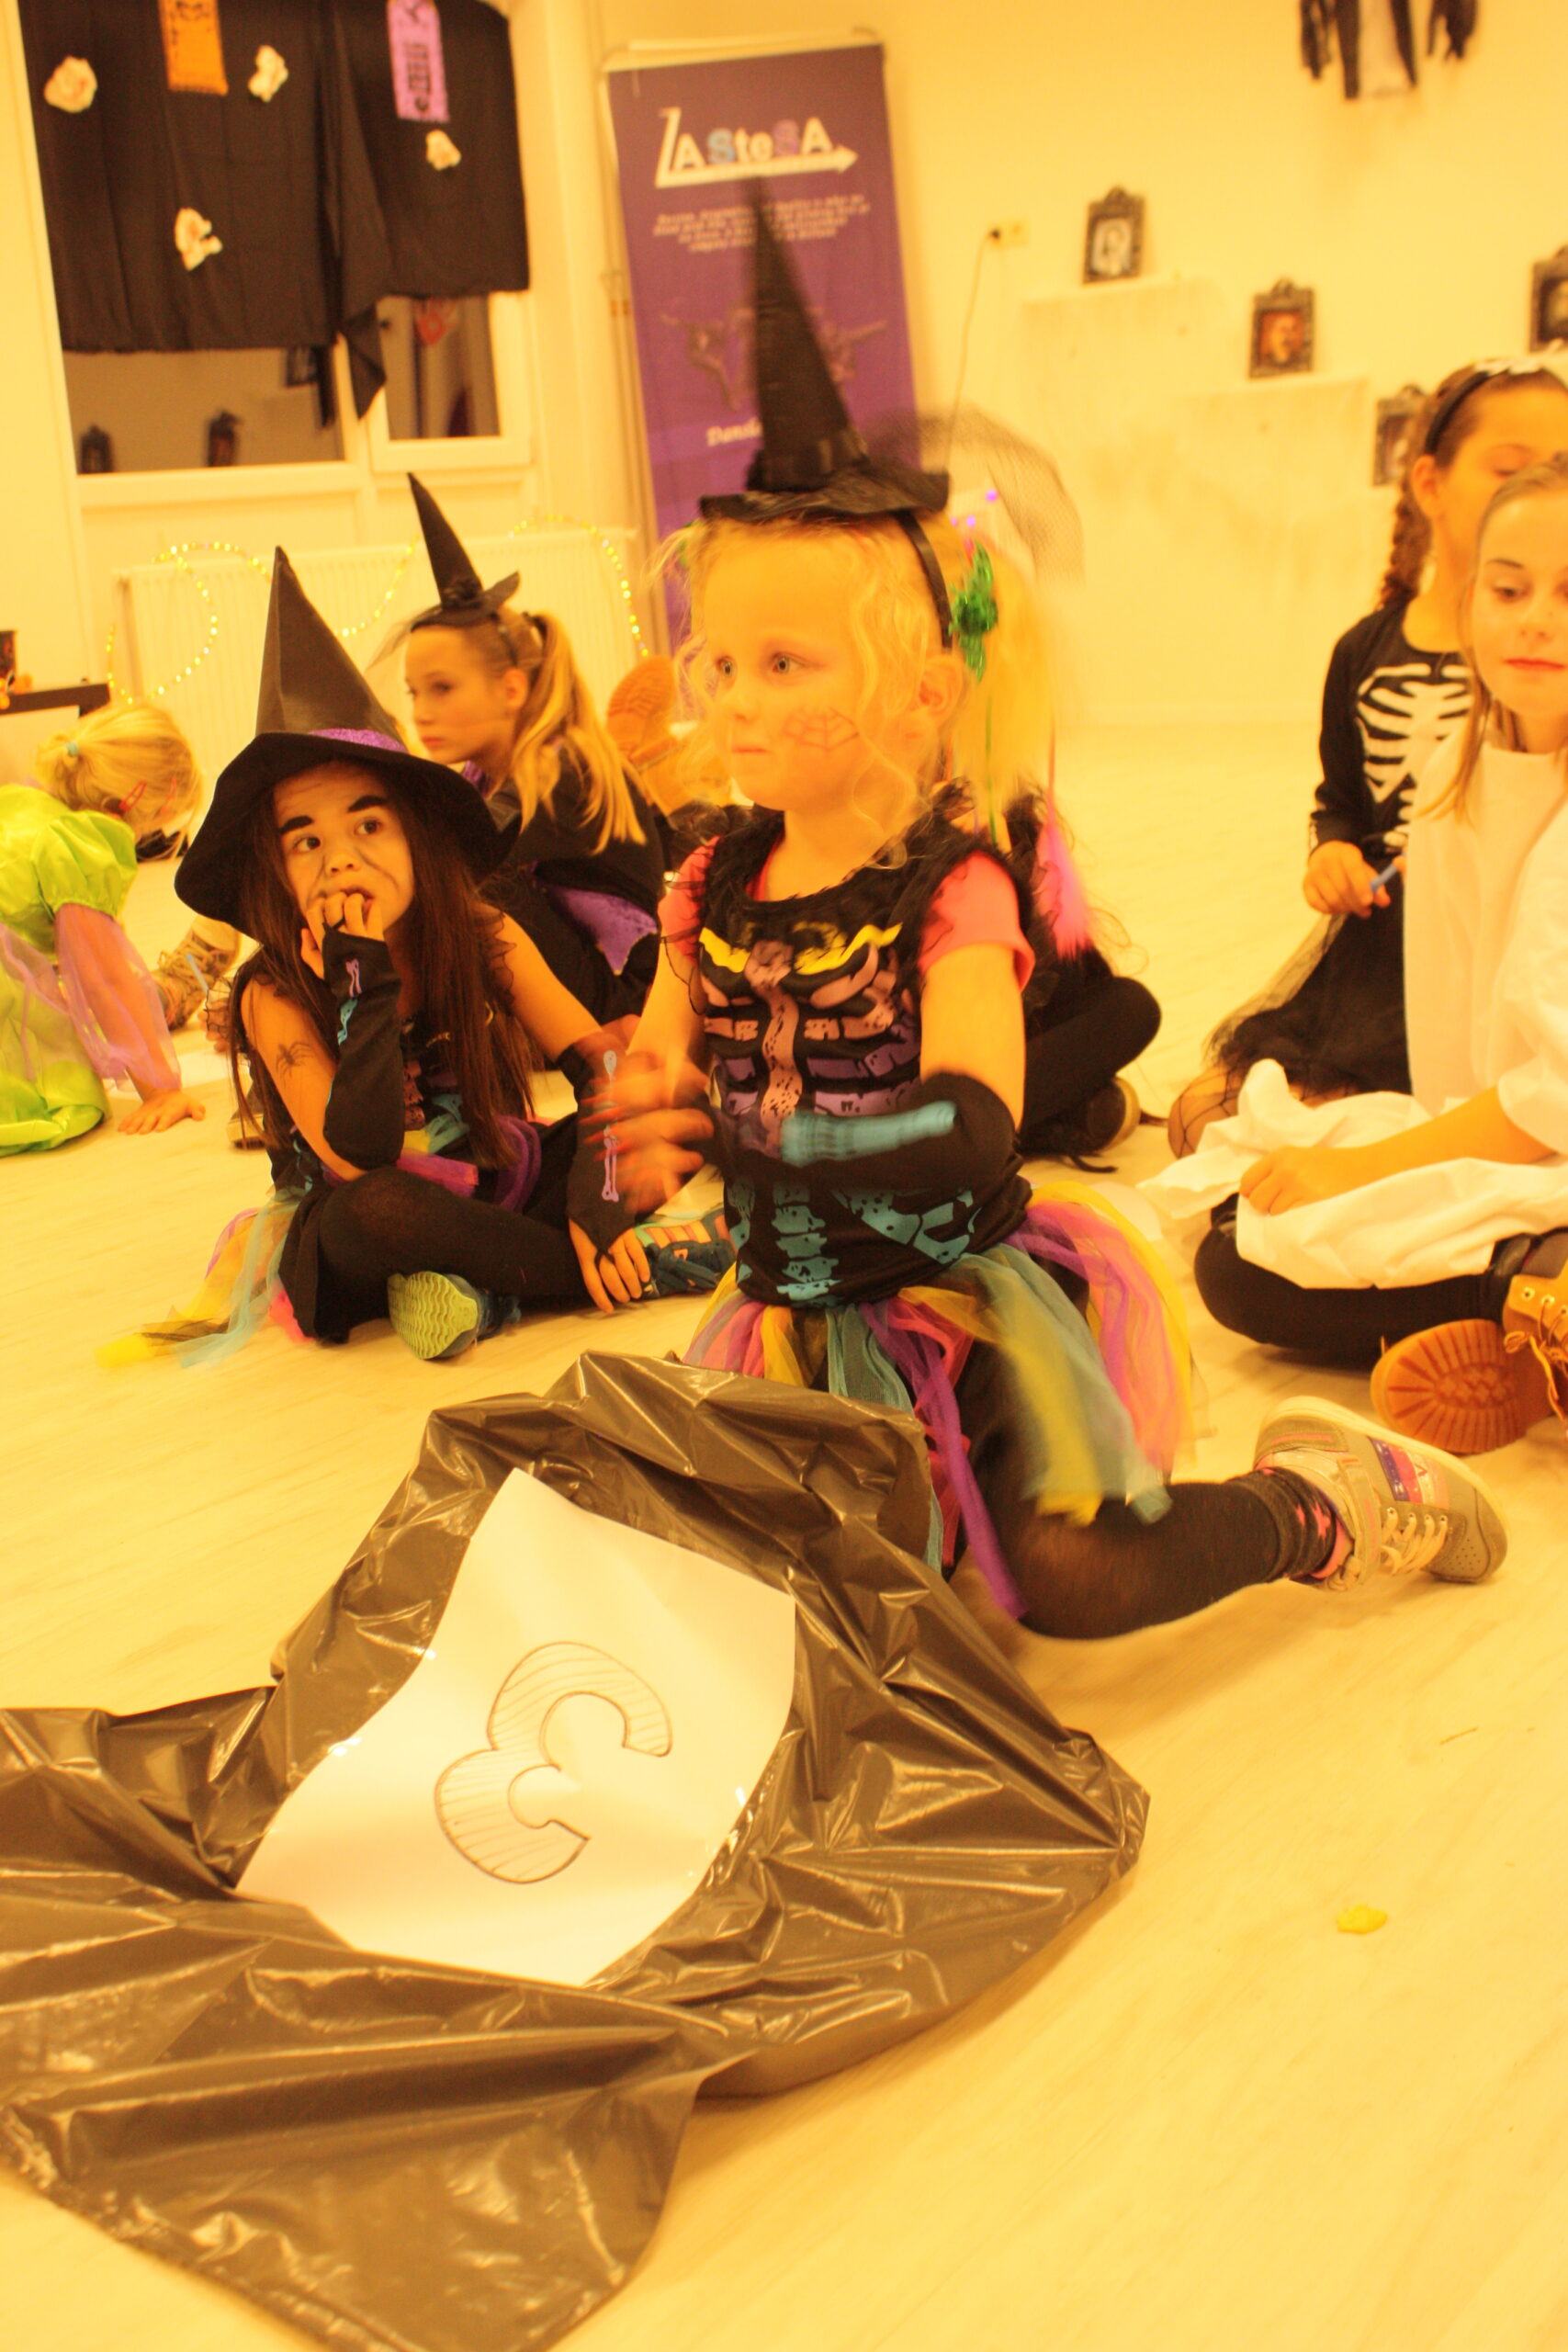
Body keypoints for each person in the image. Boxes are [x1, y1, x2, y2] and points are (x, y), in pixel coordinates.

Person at [569, 203, 1506, 1634]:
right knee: (747, 1604)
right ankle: (929, 1516)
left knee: (1071, 1584)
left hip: (958, 1300)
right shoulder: (706, 887)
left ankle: (1322, 1501)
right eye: (723, 662)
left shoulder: (953, 888)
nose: (735, 700)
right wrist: (632, 1143)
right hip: (791, 1315)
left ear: (918, 693)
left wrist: (779, 1145)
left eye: (784, 663)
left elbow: (968, 1127)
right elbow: (656, 1069)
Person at [107, 551, 725, 1370]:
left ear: (413, 837)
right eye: (306, 842)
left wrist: (598, 1203)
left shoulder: (479, 930)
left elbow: (601, 1067)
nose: (342, 860)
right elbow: (356, 1158)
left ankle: (480, 1281)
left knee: (677, 1106)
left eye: (369, 826)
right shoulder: (272, 993)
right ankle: (612, 1268)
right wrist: (358, 977)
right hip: (359, 1220)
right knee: (383, 1209)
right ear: (275, 871)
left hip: (489, 1178)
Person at [1154, 455, 1568, 1457]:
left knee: (1252, 1266)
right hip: (1509, 1129)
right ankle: (1530, 1291)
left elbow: (1553, 1095)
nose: (1535, 622)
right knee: (1236, 1235)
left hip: (1543, 1130)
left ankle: (1526, 1296)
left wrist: (1365, 1170)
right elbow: (1464, 1049)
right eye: (1509, 589)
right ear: (1467, 601)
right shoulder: (1458, 769)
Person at [1169, 359, 1568, 1158]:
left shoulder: (1532, 680)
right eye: (1510, 467)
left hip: (1513, 969)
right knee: (1203, 1120)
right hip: (1388, 944)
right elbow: (1341, 798)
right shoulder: (1369, 651)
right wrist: (1333, 851)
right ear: (1430, 483)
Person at [390, 477, 668, 1025]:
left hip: (625, 996)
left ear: (511, 689)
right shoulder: (482, 775)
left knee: (475, 886)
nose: (422, 712)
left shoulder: (560, 768)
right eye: (414, 693)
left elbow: (451, 855)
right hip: (576, 969)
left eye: (442, 688)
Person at [0, 700, 207, 1153]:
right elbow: (105, 978)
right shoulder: (80, 843)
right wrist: (160, 1088)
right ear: (151, 802)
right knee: (68, 1099)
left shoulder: (23, 802)